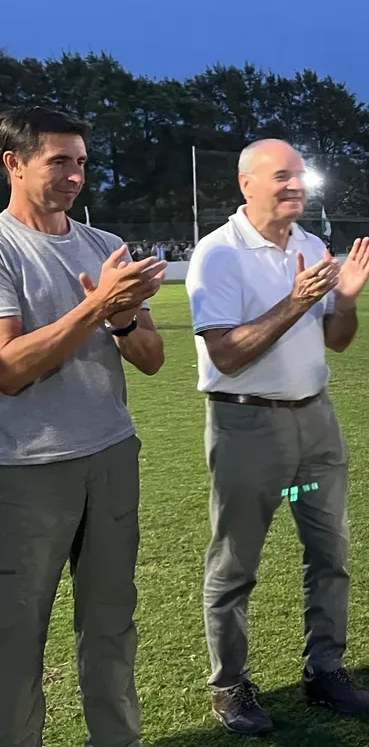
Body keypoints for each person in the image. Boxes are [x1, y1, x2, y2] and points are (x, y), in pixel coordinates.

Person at [185, 138, 369, 735]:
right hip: (247, 425)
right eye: (281, 176)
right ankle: (229, 685)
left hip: (315, 421)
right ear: (246, 184)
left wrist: (345, 301)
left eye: (299, 175)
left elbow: (337, 341)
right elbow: (226, 354)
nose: (296, 185)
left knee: (330, 552)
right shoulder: (218, 254)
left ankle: (325, 670)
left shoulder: (311, 246)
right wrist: (296, 301)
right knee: (237, 561)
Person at [0, 106, 167, 747]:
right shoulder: (4, 248)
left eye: (82, 163)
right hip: (26, 470)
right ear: (13, 164)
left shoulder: (105, 247)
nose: (75, 175)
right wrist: (97, 305)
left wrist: (121, 317)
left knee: (111, 623)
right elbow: (8, 369)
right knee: (17, 637)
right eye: (59, 162)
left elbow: (151, 358)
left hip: (110, 454)